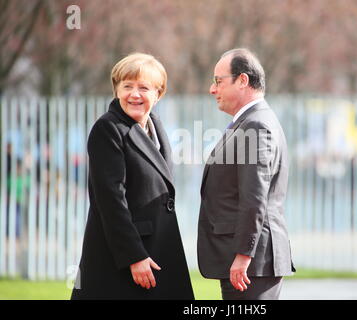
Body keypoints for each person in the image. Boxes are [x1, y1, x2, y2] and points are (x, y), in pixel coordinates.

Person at [71, 52, 194, 300]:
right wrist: (133, 256)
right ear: (116, 90)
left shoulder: (156, 127)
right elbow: (111, 201)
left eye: (143, 87)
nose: (134, 94)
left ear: (158, 95)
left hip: (158, 248)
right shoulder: (108, 129)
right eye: (127, 86)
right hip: (126, 257)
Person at [197, 48, 295, 300]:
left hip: (249, 265)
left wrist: (243, 255)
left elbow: (254, 196)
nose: (212, 89)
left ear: (242, 80)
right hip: (247, 262)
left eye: (218, 81)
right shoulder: (251, 121)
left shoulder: (256, 124)